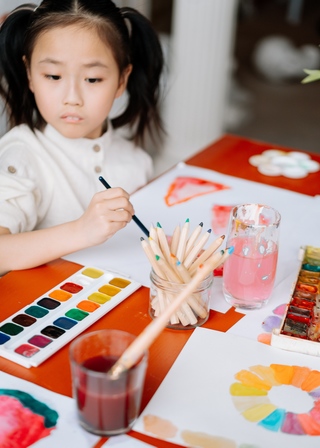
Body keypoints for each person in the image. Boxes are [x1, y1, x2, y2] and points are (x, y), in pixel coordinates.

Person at [0, 0, 164, 275]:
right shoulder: (20, 157)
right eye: (53, 76)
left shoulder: (136, 160)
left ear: (122, 80)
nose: (72, 98)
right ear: (29, 74)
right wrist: (81, 230)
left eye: (92, 79)